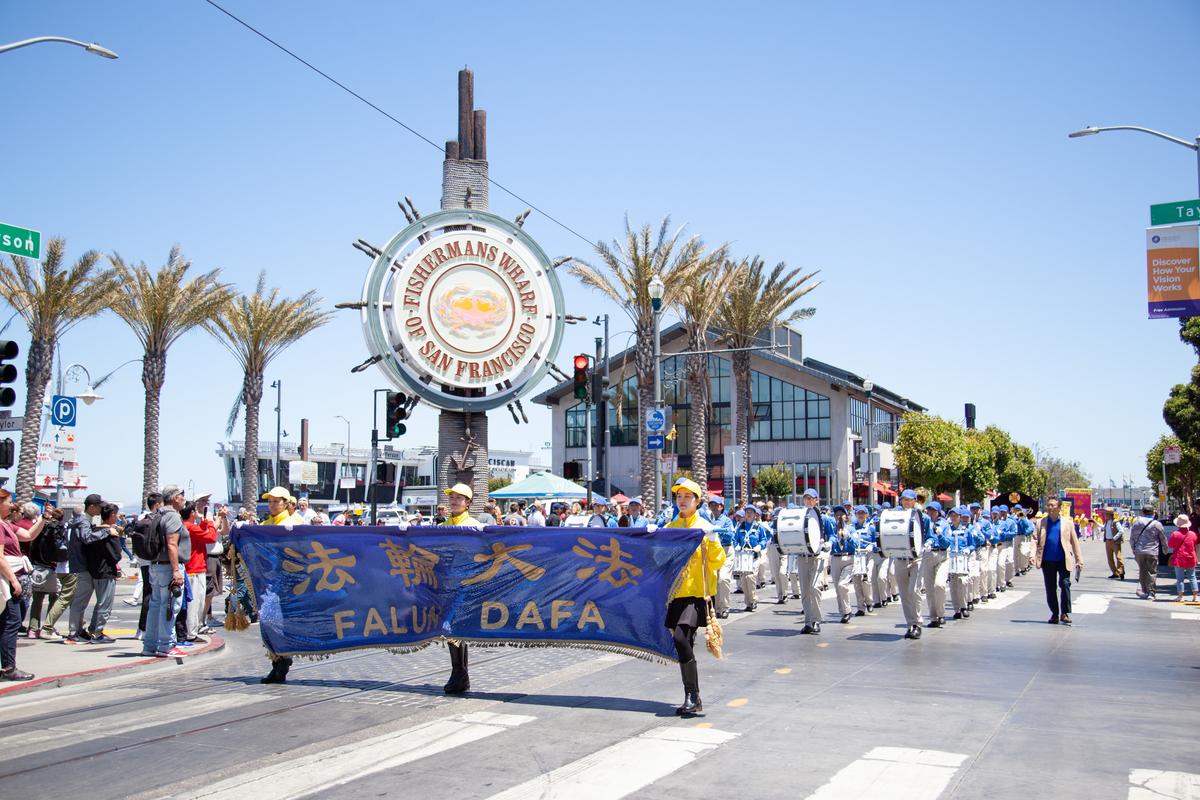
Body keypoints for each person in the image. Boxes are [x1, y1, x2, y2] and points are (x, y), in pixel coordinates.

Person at [663, 478, 723, 716]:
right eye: (679, 496)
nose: (683, 501)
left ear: (697, 501)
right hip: (676, 594)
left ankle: (692, 695)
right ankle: (693, 697)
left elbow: (717, 562)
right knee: (681, 641)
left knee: (680, 638)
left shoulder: (704, 527)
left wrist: (713, 539)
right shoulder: (670, 528)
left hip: (697, 595)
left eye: (688, 497)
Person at [441, 483, 484, 694]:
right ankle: (459, 673)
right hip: (446, 585)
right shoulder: (442, 527)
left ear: (468, 503)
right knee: (451, 630)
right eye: (452, 497)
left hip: (466, 584)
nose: (454, 501)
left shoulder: (473, 525)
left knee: (452, 627)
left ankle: (459, 674)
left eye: (460, 498)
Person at [66, 494, 121, 643]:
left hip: (84, 565)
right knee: (81, 601)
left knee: (82, 600)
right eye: (99, 506)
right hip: (82, 566)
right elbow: (87, 537)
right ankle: (74, 632)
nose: (101, 509)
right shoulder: (83, 520)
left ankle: (78, 630)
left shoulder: (84, 520)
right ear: (91, 506)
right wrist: (106, 531)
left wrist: (101, 527)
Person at [143, 486, 188, 658]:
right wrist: (176, 570)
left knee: (155, 605)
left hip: (155, 565)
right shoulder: (173, 516)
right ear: (176, 498)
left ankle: (150, 645)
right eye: (182, 497)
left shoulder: (158, 514)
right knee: (170, 605)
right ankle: (166, 645)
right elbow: (172, 543)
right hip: (168, 567)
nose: (184, 500)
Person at [1034, 497, 1083, 624]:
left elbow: (1074, 542)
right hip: (1047, 560)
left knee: (1065, 584)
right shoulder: (1041, 523)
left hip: (1063, 560)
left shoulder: (1068, 523)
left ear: (1059, 508)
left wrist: (1079, 559)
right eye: (1048, 505)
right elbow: (1035, 540)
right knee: (1050, 588)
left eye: (1052, 505)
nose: (1049, 508)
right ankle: (1055, 613)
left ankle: (1065, 613)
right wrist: (1032, 555)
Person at [795, 489, 834, 634]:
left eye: (811, 499)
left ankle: (816, 620)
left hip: (817, 556)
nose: (808, 501)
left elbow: (833, 536)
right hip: (802, 556)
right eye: (806, 499)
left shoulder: (825, 519)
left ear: (817, 500)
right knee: (804, 591)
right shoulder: (799, 517)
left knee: (815, 588)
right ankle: (808, 622)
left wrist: (828, 544)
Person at [895, 489, 931, 639]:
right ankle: (910, 624)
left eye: (910, 500)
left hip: (917, 558)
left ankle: (917, 623)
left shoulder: (924, 518)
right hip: (899, 558)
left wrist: (928, 543)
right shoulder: (896, 516)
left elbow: (930, 536)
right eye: (905, 500)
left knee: (914, 591)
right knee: (904, 594)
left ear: (915, 501)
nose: (907, 503)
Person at [919, 502, 951, 628]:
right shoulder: (924, 523)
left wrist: (940, 534)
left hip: (941, 555)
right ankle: (934, 617)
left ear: (938, 512)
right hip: (928, 555)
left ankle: (941, 614)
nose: (931, 512)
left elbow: (947, 543)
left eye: (934, 510)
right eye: (929, 510)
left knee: (939, 585)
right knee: (929, 589)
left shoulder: (944, 524)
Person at [1129, 505, 1169, 600]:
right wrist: (1165, 550)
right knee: (1152, 572)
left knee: (1142, 571)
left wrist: (1134, 549)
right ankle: (1151, 593)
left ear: (1142, 512)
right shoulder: (1157, 524)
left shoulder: (1137, 522)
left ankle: (1144, 591)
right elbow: (1163, 538)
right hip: (1152, 551)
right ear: (1153, 513)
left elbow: (1132, 538)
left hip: (1139, 551)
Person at [1167, 514, 1198, 602]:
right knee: (1192, 577)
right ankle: (1195, 596)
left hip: (1179, 558)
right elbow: (1195, 543)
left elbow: (1170, 545)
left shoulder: (1175, 534)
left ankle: (1180, 596)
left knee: (1180, 578)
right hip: (1191, 557)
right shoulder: (1193, 534)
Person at [1102, 507, 1126, 579]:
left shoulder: (1115, 522)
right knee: (1110, 559)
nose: (1105, 515)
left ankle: (1121, 572)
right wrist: (1095, 521)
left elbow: (1121, 531)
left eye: (1106, 514)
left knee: (1118, 557)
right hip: (1108, 541)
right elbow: (1103, 528)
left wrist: (1114, 538)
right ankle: (1115, 573)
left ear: (1110, 515)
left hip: (1115, 542)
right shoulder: (1107, 522)